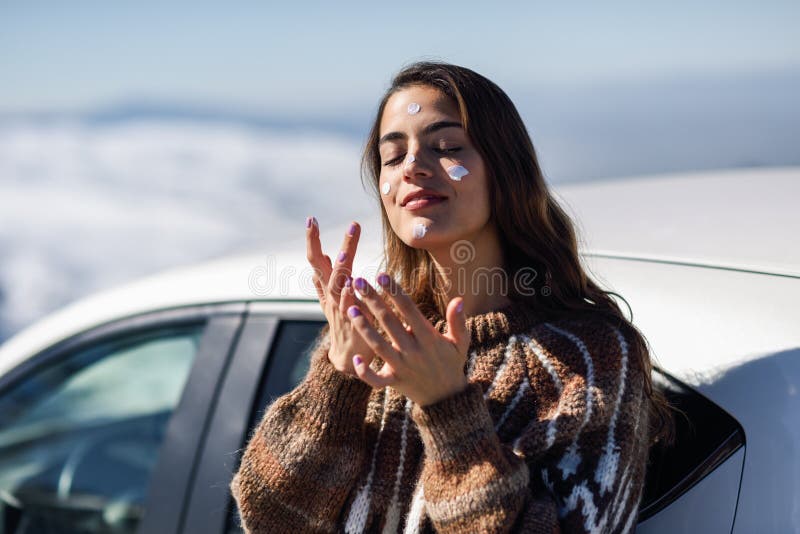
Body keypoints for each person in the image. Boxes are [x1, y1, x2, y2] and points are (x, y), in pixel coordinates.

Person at [230, 61, 672, 533]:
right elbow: (271, 520)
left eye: (446, 147)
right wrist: (336, 380)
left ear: (506, 170)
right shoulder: (379, 343)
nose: (414, 167)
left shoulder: (587, 358)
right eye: (393, 157)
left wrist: (447, 408)